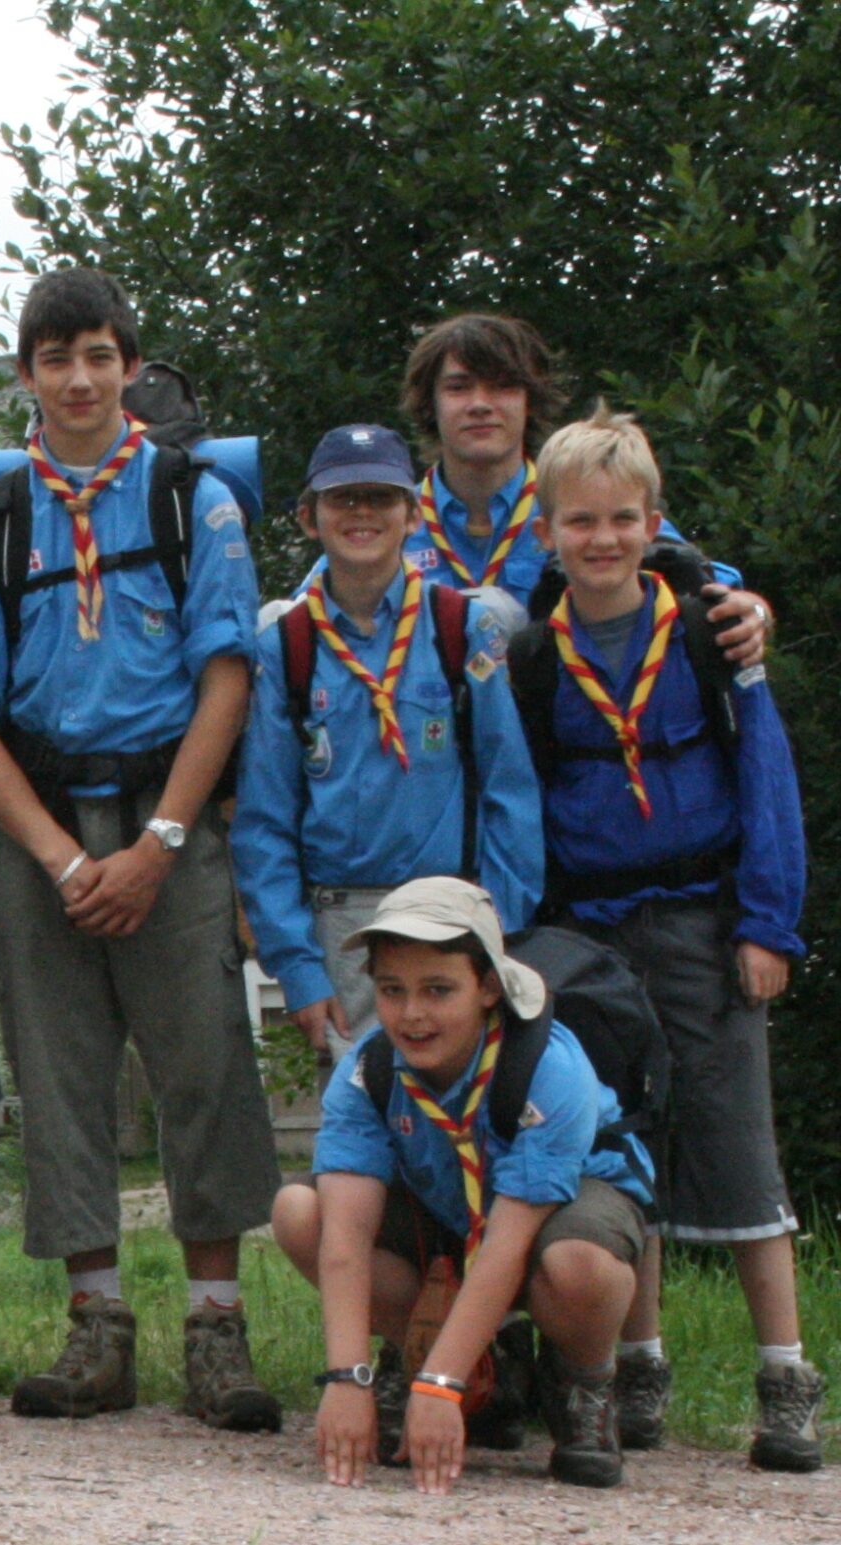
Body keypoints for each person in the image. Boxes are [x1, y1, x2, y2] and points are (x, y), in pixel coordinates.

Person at [0, 268, 283, 1431]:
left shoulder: (195, 504)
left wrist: (159, 845)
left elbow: (226, 675)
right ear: (26, 375)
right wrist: (58, 860)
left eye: (98, 353)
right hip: (44, 837)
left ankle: (216, 1329)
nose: (78, 379)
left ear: (130, 363)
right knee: (58, 1079)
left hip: (166, 822)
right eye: (53, 358)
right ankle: (95, 1328)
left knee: (205, 1068)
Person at [508, 407, 819, 1471]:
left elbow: (763, 773)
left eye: (622, 520)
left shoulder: (706, 628)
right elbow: (522, 801)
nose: (601, 540)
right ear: (544, 528)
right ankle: (636, 1363)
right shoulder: (532, 656)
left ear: (653, 521)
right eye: (579, 521)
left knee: (737, 1139)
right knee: (618, 1143)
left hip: (706, 915)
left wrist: (769, 922)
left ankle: (784, 1375)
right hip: (587, 933)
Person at [271, 877, 651, 1493]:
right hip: (446, 1214)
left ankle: (584, 1383)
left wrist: (439, 1388)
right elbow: (344, 1237)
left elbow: (507, 1244)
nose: (412, 1013)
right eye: (392, 991)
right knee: (298, 1211)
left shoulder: (548, 1067)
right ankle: (481, 1373)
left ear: (488, 987)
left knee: (578, 1264)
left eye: (438, 990)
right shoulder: (367, 1070)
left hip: (553, 1221)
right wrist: (347, 1377)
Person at [232, 424, 543, 1057]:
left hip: (453, 911)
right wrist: (297, 966)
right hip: (343, 924)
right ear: (308, 518)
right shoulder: (285, 647)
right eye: (343, 498)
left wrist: (501, 930)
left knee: (468, 1121)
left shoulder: (463, 628)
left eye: (381, 496)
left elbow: (510, 790)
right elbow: (263, 823)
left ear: (412, 514)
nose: (363, 513)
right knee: (363, 1123)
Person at [397, 313, 771, 665]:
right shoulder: (392, 519)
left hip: (562, 725)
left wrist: (753, 614)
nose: (480, 404)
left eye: (502, 386)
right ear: (429, 403)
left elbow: (716, 587)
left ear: (530, 400)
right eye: (459, 387)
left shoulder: (580, 502)